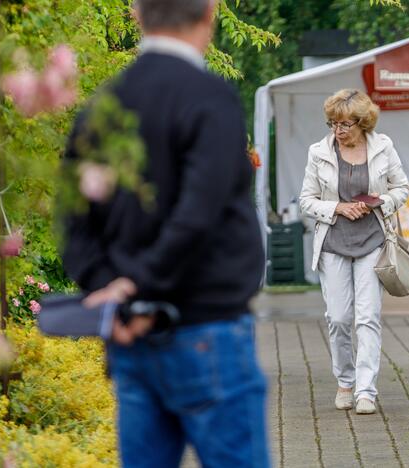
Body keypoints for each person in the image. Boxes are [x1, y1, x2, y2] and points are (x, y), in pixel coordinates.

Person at [60, 0, 269, 465]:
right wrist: (140, 285)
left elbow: (74, 219)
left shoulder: (102, 105)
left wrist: (110, 290)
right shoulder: (208, 98)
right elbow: (199, 213)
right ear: (210, 14)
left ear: (136, 14)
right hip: (205, 327)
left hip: (129, 335)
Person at [299, 89, 409, 415]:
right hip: (333, 243)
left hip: (372, 242)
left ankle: (365, 390)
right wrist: (338, 208)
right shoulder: (318, 152)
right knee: (338, 317)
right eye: (333, 123)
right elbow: (306, 199)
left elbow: (401, 188)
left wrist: (381, 201)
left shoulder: (383, 147)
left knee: (368, 317)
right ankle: (344, 381)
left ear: (362, 123)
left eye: (345, 124)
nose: (339, 131)